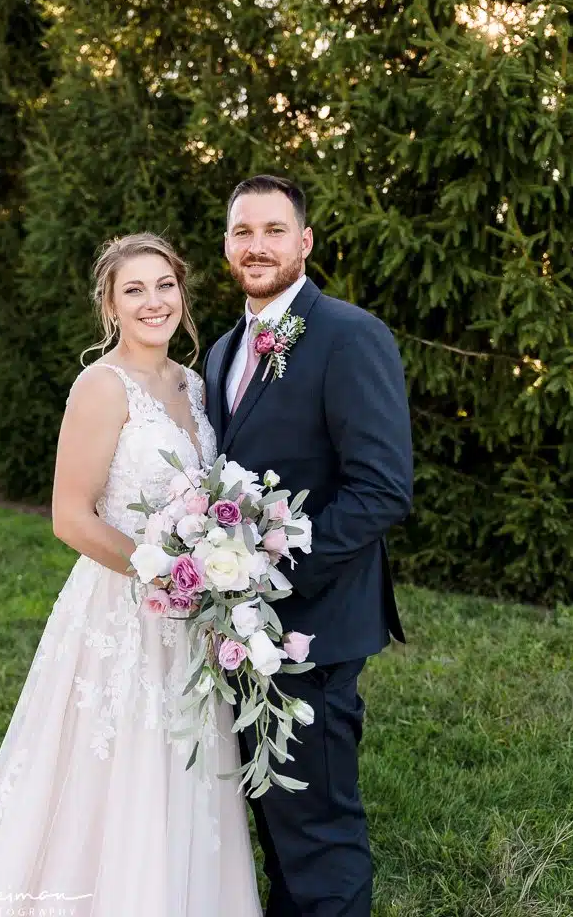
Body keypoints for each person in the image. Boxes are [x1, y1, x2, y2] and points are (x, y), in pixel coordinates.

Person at [0, 233, 262, 917]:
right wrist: (164, 574)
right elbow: (70, 517)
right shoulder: (100, 386)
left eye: (164, 285)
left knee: (182, 761)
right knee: (115, 765)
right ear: (110, 306)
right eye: (134, 290)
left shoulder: (194, 383)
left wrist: (214, 565)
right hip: (124, 606)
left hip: (193, 614)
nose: (153, 302)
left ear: (182, 291)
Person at [203, 175, 414, 916]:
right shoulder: (223, 349)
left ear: (304, 242)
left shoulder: (349, 335)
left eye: (272, 230)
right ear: (226, 245)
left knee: (317, 825)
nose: (255, 246)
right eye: (241, 232)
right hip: (234, 628)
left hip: (310, 626)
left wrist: (268, 577)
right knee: (269, 814)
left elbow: (381, 488)